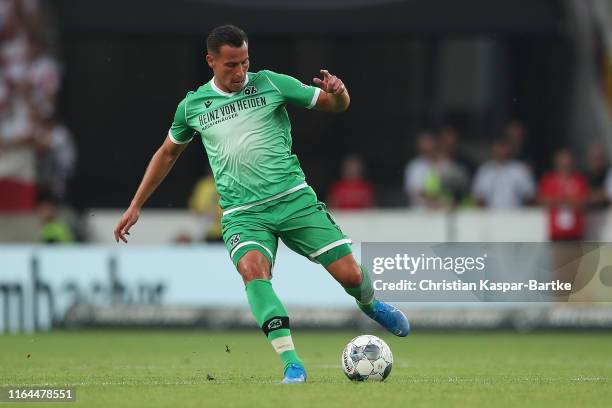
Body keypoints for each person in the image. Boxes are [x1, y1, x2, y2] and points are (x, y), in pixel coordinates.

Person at [113, 25, 409, 384]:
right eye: (230, 65)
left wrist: (340, 94)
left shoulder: (270, 83)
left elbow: (334, 105)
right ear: (210, 61)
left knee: (351, 275)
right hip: (242, 214)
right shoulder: (192, 107)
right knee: (253, 271)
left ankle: (370, 304)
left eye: (245, 62)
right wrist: (135, 204)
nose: (239, 72)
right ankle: (292, 364)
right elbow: (167, 154)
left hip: (293, 200)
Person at [472, 139, 535, 209]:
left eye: (504, 148)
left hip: (516, 216)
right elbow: (478, 198)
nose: (501, 152)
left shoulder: (520, 170)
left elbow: (530, 196)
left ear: (509, 150)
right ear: (494, 150)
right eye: (499, 148)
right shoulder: (485, 170)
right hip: (490, 216)